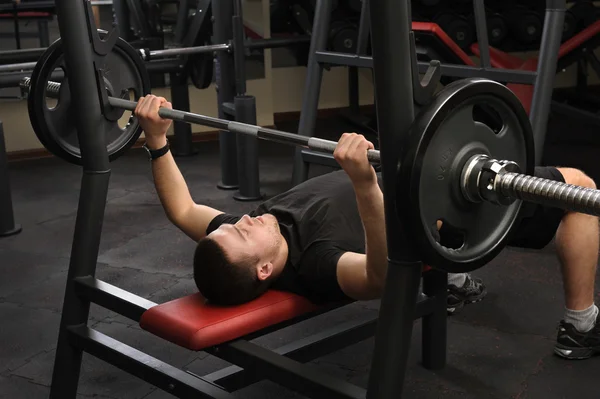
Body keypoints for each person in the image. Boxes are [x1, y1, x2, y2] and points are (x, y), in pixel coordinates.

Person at [135, 94, 600, 360]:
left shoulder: (243, 241)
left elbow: (181, 209)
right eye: (242, 232)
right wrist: (363, 185)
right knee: (580, 191)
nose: (244, 220)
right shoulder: (316, 264)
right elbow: (380, 277)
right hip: (446, 199)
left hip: (413, 180)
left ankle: (452, 275)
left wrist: (156, 140)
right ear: (263, 271)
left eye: (231, 225)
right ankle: (580, 326)